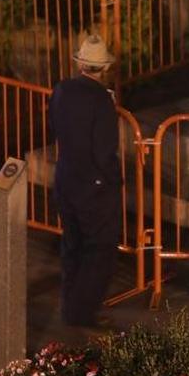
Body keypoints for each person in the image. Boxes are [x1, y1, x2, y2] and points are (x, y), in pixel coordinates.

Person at [49, 35, 122, 328]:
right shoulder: (101, 100)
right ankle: (83, 310)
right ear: (102, 68)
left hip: (66, 175)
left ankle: (70, 305)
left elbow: (53, 125)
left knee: (72, 244)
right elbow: (104, 148)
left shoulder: (62, 90)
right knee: (99, 248)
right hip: (94, 184)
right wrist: (113, 179)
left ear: (80, 64)